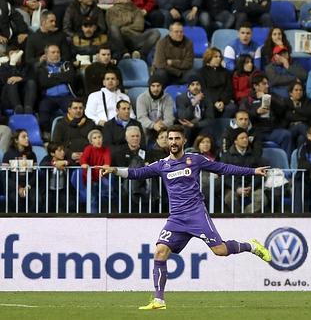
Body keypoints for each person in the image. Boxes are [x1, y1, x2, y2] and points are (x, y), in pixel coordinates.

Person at [101, 125, 271, 310]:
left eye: (176, 139)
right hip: (176, 219)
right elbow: (137, 173)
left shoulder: (195, 159)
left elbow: (222, 168)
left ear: (184, 141)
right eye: (170, 139)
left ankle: (252, 246)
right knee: (160, 251)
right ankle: (159, 300)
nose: (173, 142)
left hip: (197, 215)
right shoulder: (162, 165)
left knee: (220, 251)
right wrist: (114, 170)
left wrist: (252, 172)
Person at [52, 98, 96, 165]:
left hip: (88, 160)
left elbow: (95, 143)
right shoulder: (60, 124)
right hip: (67, 160)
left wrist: (85, 155)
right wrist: (70, 154)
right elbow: (56, 144)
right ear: (69, 110)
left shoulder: (90, 124)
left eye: (80, 108)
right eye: (75, 108)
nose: (78, 110)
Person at [152, 21, 195, 86]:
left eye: (181, 32)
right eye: (176, 32)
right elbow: (160, 64)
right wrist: (177, 72)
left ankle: (190, 95)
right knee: (160, 73)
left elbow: (188, 63)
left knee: (194, 75)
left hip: (182, 73)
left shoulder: (189, 43)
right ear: (170, 33)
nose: (179, 34)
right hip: (167, 72)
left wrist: (172, 62)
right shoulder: (161, 43)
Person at [136, 75, 175, 142]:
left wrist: (162, 124)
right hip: (148, 126)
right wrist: (153, 125)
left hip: (163, 126)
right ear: (149, 87)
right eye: (153, 86)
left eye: (158, 86)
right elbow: (141, 118)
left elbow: (170, 118)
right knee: (142, 127)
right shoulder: (141, 98)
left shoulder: (168, 98)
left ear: (162, 86)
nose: (155, 89)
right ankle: (143, 149)